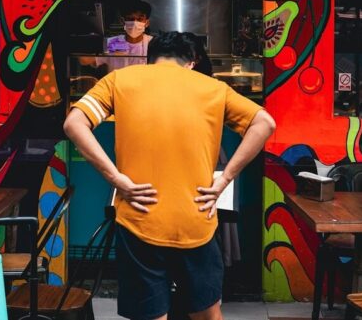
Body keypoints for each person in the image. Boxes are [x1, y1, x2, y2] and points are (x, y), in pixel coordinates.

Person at [64, 32, 276, 320]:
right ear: (191, 62)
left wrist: (115, 178)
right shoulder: (213, 87)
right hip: (196, 217)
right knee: (207, 313)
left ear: (150, 60)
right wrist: (224, 179)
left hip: (139, 215)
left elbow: (74, 123)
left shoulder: (121, 80)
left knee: (152, 315)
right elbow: (264, 122)